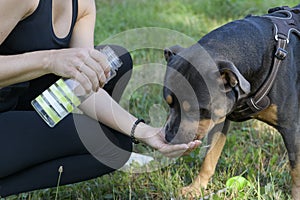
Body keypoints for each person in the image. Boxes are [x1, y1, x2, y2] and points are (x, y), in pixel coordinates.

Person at [0, 0, 201, 197]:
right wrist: (49, 60)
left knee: (116, 142)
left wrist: (145, 132)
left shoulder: (83, 5)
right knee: (95, 139)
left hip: (15, 99)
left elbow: (84, 88)